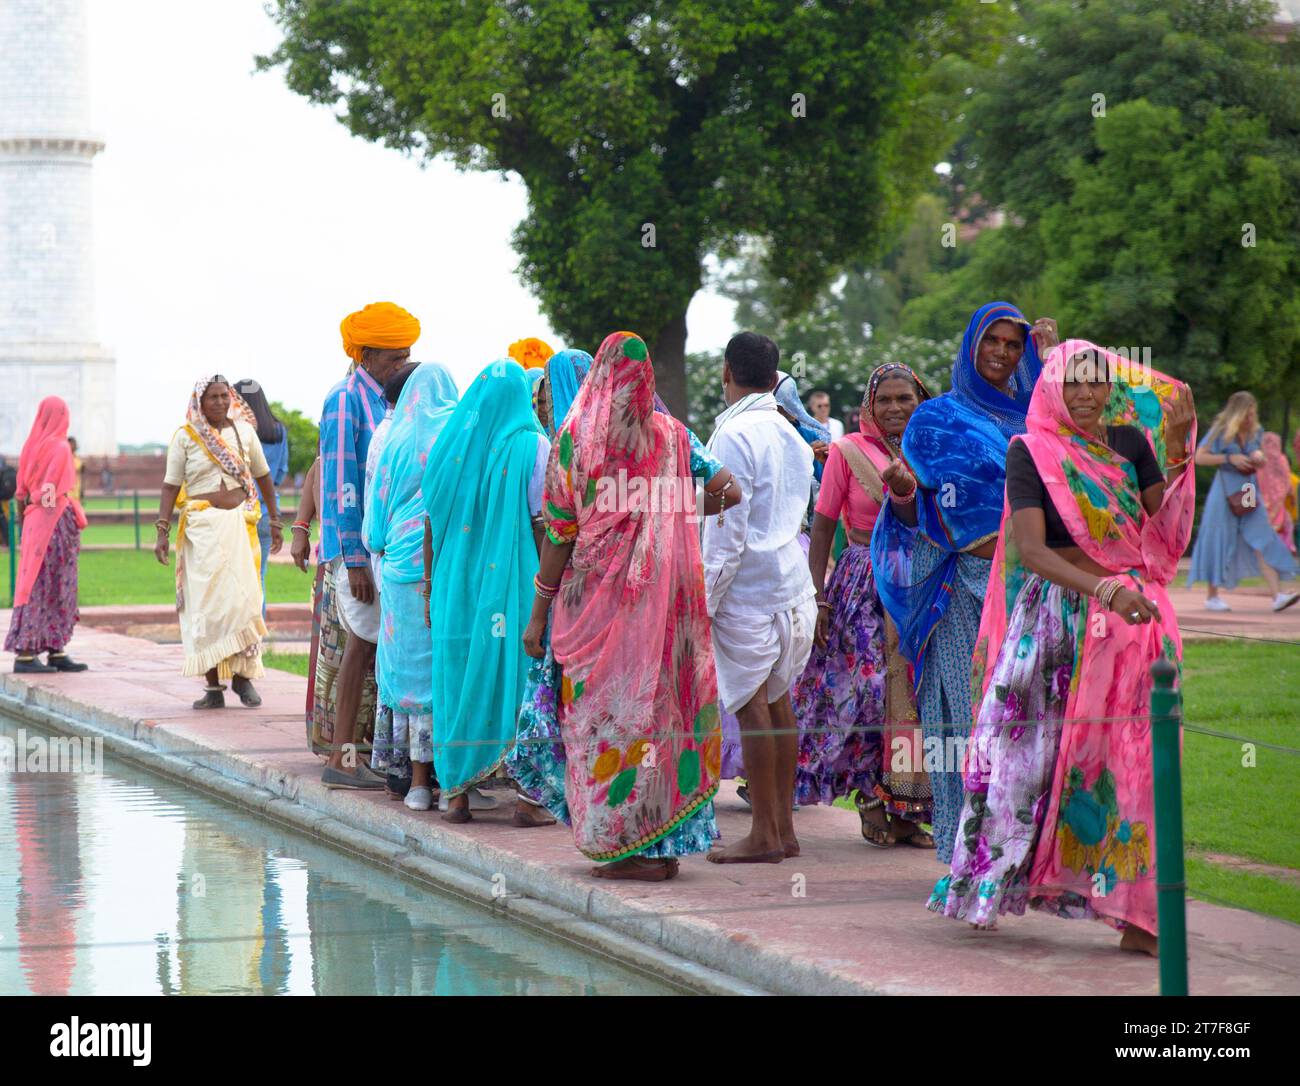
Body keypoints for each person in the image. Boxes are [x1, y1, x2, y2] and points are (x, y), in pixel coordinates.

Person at [928, 342, 1196, 957]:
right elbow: (1035, 552)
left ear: (1110, 389)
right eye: (1071, 383)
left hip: (1135, 626)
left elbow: (1166, 541)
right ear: (1051, 387)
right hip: (1057, 624)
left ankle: (1136, 914)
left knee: (1133, 765)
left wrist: (1180, 455)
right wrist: (1104, 586)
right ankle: (991, 884)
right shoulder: (1033, 450)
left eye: (1095, 383)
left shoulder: (1130, 445)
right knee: (1026, 766)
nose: (1084, 394)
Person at [522, 331, 737, 881]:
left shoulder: (576, 437)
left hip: (595, 606)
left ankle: (619, 846)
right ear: (647, 382)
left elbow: (561, 531)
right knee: (662, 712)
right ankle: (661, 845)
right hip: (669, 605)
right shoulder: (674, 435)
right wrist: (674, 510)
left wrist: (539, 609)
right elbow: (731, 492)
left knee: (607, 720)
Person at [874, 302, 1057, 863]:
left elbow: (1083, 461)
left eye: (1012, 343)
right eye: (991, 342)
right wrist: (904, 494)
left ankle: (1014, 852)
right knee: (963, 718)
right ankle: (961, 851)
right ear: (971, 346)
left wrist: (1050, 361)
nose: (1002, 353)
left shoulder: (1042, 415)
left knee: (1025, 717)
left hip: (1033, 588)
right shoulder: (937, 419)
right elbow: (911, 521)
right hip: (961, 592)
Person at [795, 363, 934, 846]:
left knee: (912, 697)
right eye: (886, 400)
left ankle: (908, 811)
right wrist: (816, 596)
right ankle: (871, 795)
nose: (895, 408)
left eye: (905, 399)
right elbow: (824, 525)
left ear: (921, 401)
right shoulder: (848, 452)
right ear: (869, 407)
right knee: (871, 693)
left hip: (920, 585)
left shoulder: (931, 447)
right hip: (864, 586)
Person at [702, 333, 816, 864]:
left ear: (726, 372)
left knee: (755, 711)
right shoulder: (790, 433)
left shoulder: (731, 435)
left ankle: (765, 835)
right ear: (775, 379)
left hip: (748, 591)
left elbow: (727, 532)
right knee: (778, 704)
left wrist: (702, 601)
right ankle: (783, 830)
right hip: (791, 586)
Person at [422, 360, 548, 824]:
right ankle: (527, 799)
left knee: (456, 678)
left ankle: (455, 796)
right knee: (515, 677)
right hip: (511, 581)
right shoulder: (533, 447)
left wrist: (428, 586)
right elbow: (542, 523)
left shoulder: (448, 450)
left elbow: (431, 524)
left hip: (454, 585)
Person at [315, 302, 420, 788]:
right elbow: (340, 485)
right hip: (358, 549)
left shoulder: (385, 397)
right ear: (368, 353)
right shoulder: (345, 400)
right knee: (360, 647)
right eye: (394, 357)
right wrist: (355, 560)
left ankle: (372, 755)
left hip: (381, 547)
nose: (401, 364)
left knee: (376, 650)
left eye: (405, 356)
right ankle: (340, 760)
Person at [365, 363, 459, 811]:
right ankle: (459, 784)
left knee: (410, 673)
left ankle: (418, 784)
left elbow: (375, 521)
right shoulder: (461, 436)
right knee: (449, 669)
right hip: (454, 567)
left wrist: (380, 544)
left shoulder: (396, 439)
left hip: (403, 570)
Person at [155, 377, 282, 706]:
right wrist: (161, 530)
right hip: (201, 532)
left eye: (224, 396)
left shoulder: (244, 432)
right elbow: (171, 486)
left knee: (245, 604)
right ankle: (212, 687)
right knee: (208, 609)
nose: (220, 402)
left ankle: (244, 677)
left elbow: (263, 475)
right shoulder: (186, 437)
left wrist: (276, 520)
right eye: (212, 397)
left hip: (242, 527)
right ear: (200, 401)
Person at [509, 348, 593, 821]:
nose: (542, 403)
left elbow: (557, 531)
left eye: (547, 393)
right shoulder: (592, 441)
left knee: (553, 689)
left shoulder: (563, 442)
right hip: (596, 588)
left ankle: (538, 792)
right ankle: (549, 794)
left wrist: (539, 605)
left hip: (567, 587)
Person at [1188, 392, 1298, 611]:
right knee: (1220, 537)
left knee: (1262, 535)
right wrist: (1230, 458)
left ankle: (1277, 595)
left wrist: (1258, 456)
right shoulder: (1220, 431)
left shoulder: (1256, 431)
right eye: (1247, 415)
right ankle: (1212, 596)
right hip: (1224, 492)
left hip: (1248, 489)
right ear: (1237, 413)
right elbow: (1199, 457)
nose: (1250, 419)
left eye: (1253, 414)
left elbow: (1258, 454)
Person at [5, 397, 89, 673]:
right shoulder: (61, 448)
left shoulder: (32, 445)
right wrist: (49, 511)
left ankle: (55, 649)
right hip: (53, 523)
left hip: (33, 521)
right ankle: (27, 655)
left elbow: (20, 492)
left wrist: (30, 511)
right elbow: (52, 490)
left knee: (36, 582)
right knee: (53, 584)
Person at [233, 380, 290, 611]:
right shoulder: (278, 430)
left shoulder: (236, 431)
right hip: (268, 511)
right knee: (259, 577)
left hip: (238, 511)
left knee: (235, 578)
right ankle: (258, 637)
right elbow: (281, 472)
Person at [1258, 433, 1297, 554]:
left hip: (1262, 501)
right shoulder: (1282, 459)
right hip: (1278, 502)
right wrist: (1290, 493)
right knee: (1284, 525)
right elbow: (1287, 478)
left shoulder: (1259, 459)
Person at [67, 437, 83, 502]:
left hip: (76, 491)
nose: (72, 446)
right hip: (67, 492)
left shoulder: (77, 459)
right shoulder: (65, 458)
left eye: (73, 444)